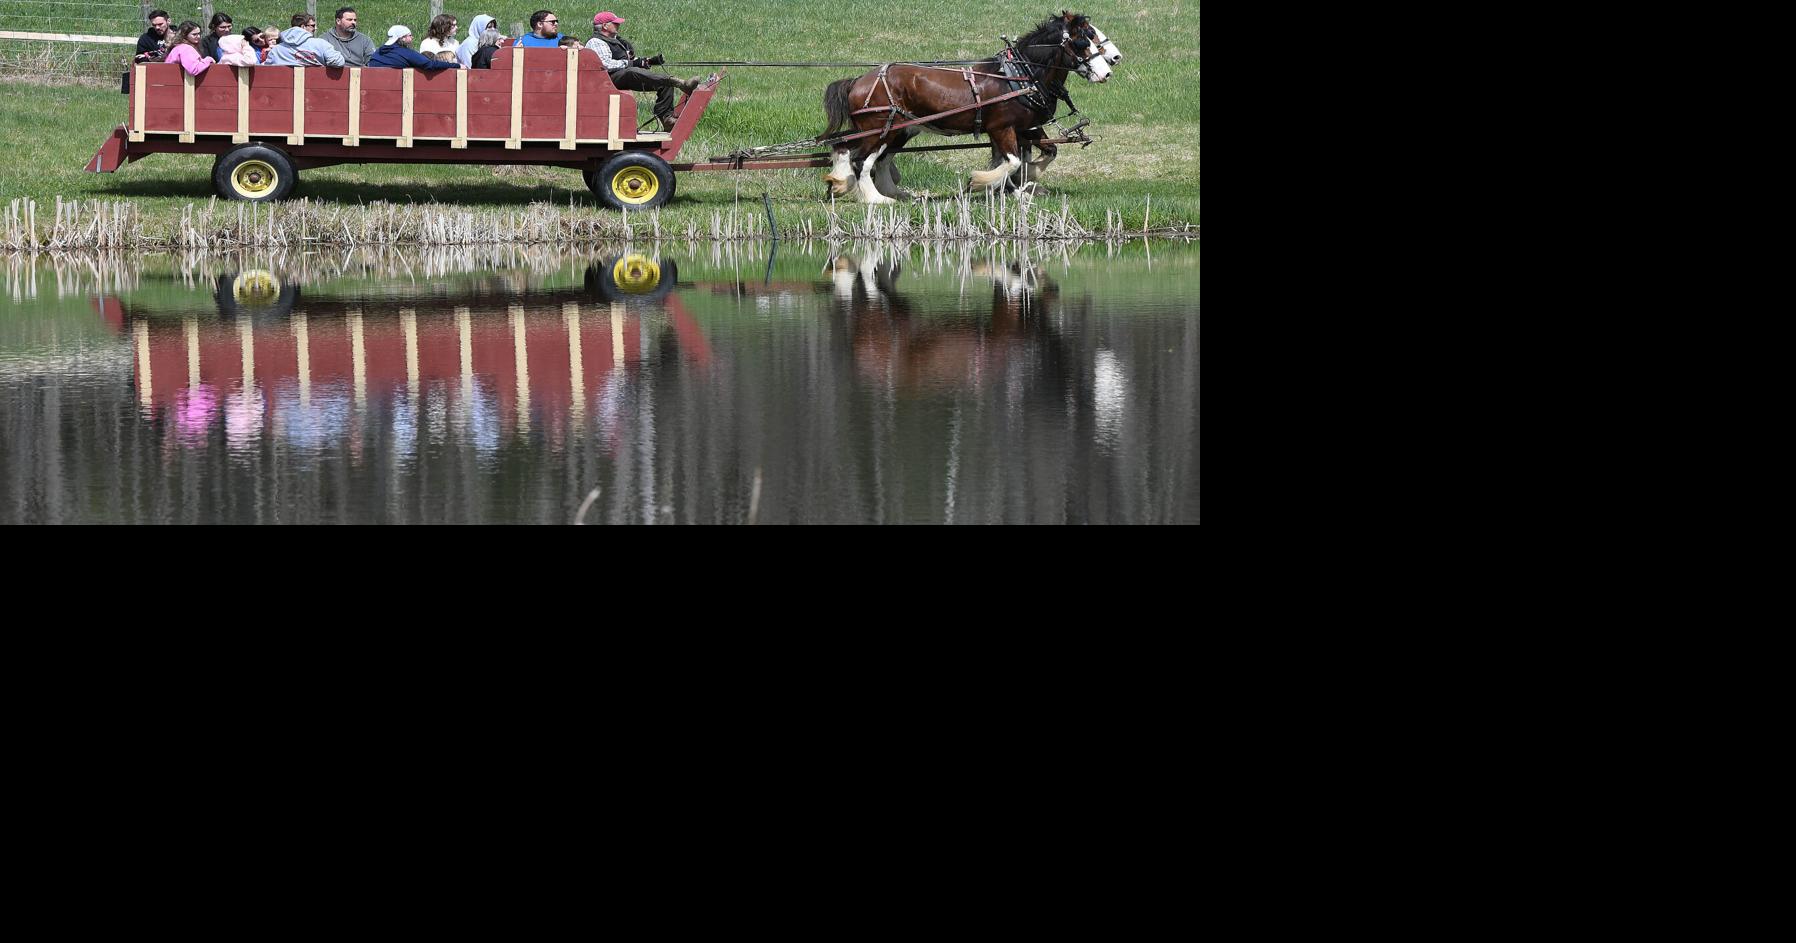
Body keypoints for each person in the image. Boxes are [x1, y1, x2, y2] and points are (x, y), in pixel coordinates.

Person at [586, 12, 698, 132]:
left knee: (662, 82)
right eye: (615, 23)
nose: (618, 25)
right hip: (605, 80)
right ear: (605, 26)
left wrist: (647, 61)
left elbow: (626, 61)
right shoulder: (596, 42)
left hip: (620, 76)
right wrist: (633, 63)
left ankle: (667, 118)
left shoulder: (615, 41)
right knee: (631, 71)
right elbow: (605, 64)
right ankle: (679, 83)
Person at [368, 25, 462, 70]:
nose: (412, 37)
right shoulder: (406, 53)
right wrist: (457, 66)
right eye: (410, 35)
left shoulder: (378, 52)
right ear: (403, 38)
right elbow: (430, 65)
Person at [267, 19, 345, 66]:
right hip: (319, 88)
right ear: (303, 27)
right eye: (312, 25)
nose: (316, 28)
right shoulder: (320, 44)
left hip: (283, 89)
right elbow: (338, 62)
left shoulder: (276, 50)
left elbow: (266, 70)